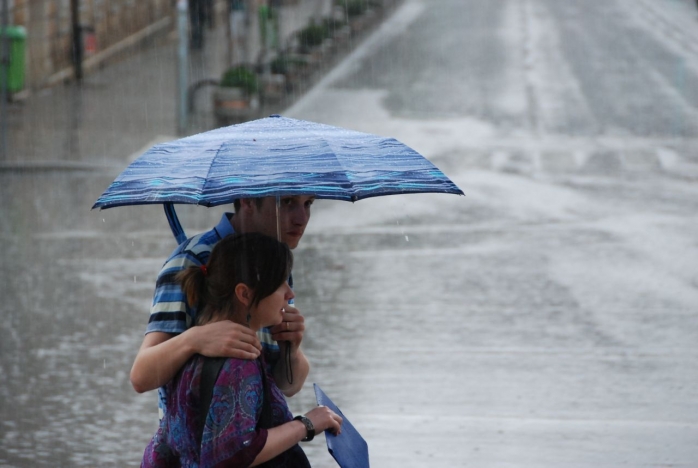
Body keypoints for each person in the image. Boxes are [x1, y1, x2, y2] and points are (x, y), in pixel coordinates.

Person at [141, 233, 342, 467]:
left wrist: (291, 348)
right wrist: (306, 424)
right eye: (280, 284)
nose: (290, 293)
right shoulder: (239, 361)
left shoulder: (188, 350)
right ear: (244, 294)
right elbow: (235, 453)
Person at [130, 195, 315, 419]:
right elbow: (141, 376)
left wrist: (291, 350)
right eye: (286, 202)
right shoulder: (190, 260)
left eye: (308, 204)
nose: (302, 218)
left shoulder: (274, 263)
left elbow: (287, 386)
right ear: (247, 200)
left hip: (256, 439)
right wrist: (194, 340)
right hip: (202, 448)